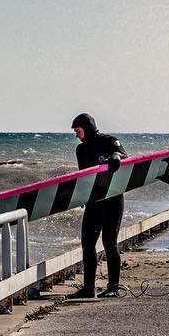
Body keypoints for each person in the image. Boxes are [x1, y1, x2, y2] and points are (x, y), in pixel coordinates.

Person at [69, 113, 127, 298]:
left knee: (110, 242)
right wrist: (81, 197)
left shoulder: (109, 141)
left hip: (112, 199)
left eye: (78, 131)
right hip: (93, 202)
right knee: (87, 244)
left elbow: (125, 156)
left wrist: (116, 156)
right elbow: (84, 176)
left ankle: (114, 287)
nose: (77, 135)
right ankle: (88, 289)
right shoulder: (81, 151)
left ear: (87, 128)